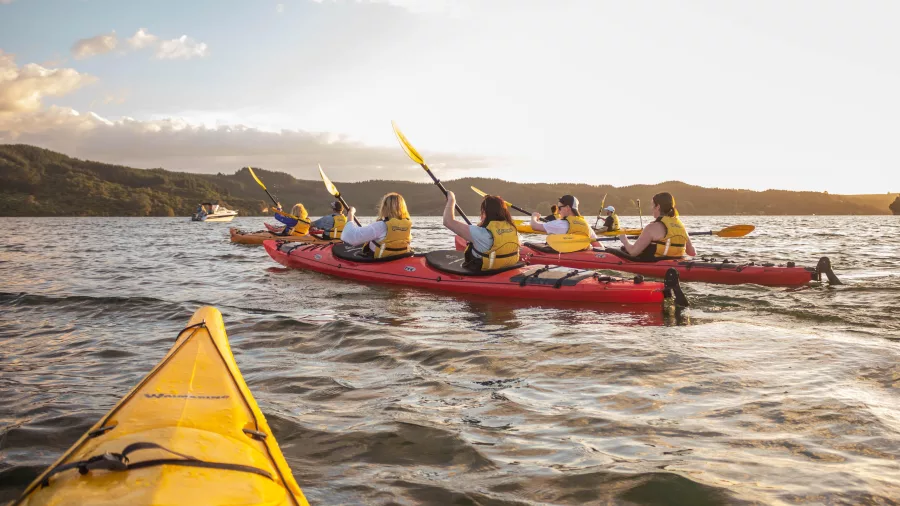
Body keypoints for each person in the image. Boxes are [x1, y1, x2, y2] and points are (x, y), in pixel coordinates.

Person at [443, 191, 520, 271]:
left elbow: (448, 222)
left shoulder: (480, 233)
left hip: (485, 271)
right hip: (507, 268)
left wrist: (452, 199)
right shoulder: (513, 230)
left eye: (482, 212)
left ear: (485, 213)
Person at [619, 192, 695, 260]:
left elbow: (633, 252)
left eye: (653, 205)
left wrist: (624, 241)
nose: (652, 209)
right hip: (677, 263)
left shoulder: (651, 227)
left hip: (655, 264)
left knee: (614, 250)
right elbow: (692, 253)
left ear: (658, 206)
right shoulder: (681, 227)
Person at [342, 193, 412, 258]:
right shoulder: (407, 225)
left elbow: (350, 237)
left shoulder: (381, 225)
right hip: (397, 259)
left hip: (379, 261)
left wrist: (350, 214)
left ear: (385, 207)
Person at [529, 194, 601, 250]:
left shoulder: (561, 224)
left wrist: (534, 216)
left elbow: (534, 226)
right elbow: (598, 246)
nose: (558, 211)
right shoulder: (586, 225)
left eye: (560, 208)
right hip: (581, 253)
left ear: (567, 208)